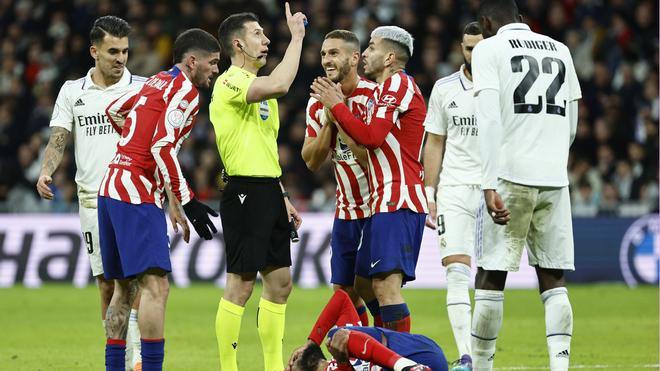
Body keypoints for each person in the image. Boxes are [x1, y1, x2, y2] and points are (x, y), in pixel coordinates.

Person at [35, 16, 157, 370]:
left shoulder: (143, 88)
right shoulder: (73, 91)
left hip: (135, 198)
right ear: (94, 52)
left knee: (137, 282)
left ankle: (136, 360)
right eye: (113, 51)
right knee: (107, 287)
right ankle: (119, 358)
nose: (121, 59)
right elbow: (58, 138)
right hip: (92, 201)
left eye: (125, 51)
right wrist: (46, 170)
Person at [97, 28, 220, 371]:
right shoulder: (186, 91)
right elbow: (161, 146)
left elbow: (115, 110)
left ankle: (114, 367)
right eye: (212, 63)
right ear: (192, 61)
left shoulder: (155, 81)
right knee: (156, 286)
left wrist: (136, 155)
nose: (215, 70)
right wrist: (186, 198)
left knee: (123, 289)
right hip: (135, 193)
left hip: (111, 186)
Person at [470, 1, 581, 370]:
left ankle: (483, 367)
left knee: (490, 275)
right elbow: (572, 122)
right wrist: (551, 159)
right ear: (520, 20)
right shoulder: (560, 50)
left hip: (508, 176)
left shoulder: (488, 48)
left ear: (486, 23)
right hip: (554, 177)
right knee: (553, 278)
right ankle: (560, 367)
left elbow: (488, 119)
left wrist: (488, 183)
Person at [310, 26, 427, 333]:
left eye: (372, 48)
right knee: (361, 282)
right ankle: (375, 348)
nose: (367, 55)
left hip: (397, 196)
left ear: (389, 57)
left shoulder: (399, 84)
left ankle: (399, 357)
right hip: (381, 201)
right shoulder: (384, 92)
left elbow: (371, 137)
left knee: (386, 288)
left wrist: (336, 107)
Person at [210, 3, 305, 370]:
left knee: (280, 284)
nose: (266, 40)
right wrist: (296, 37)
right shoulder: (231, 80)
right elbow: (281, 83)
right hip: (244, 191)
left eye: (266, 34)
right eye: (258, 34)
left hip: (267, 190)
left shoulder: (259, 92)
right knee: (242, 285)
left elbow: (264, 149)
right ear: (238, 44)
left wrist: (282, 195)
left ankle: (271, 366)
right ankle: (228, 367)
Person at [301, 29, 378, 327]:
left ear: (355, 58)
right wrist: (330, 122)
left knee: (372, 287)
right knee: (343, 292)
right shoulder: (315, 104)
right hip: (345, 212)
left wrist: (340, 111)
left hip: (376, 208)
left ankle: (389, 348)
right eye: (323, 54)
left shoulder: (374, 97)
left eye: (334, 53)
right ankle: (361, 353)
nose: (326, 60)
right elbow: (311, 160)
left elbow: (369, 159)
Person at [422, 22, 483, 371]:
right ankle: (466, 356)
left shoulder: (504, 87)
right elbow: (435, 141)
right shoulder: (445, 89)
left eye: (479, 48)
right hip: (456, 188)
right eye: (468, 48)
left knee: (491, 278)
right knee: (457, 272)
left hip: (496, 188)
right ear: (461, 48)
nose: (473, 54)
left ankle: (483, 353)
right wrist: (430, 191)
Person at [286, 290, 447, 371]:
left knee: (338, 335)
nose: (288, 366)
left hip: (419, 353)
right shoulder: (340, 356)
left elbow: (341, 298)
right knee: (340, 336)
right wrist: (342, 363)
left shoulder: (337, 347)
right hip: (426, 355)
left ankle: (406, 366)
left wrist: (311, 343)